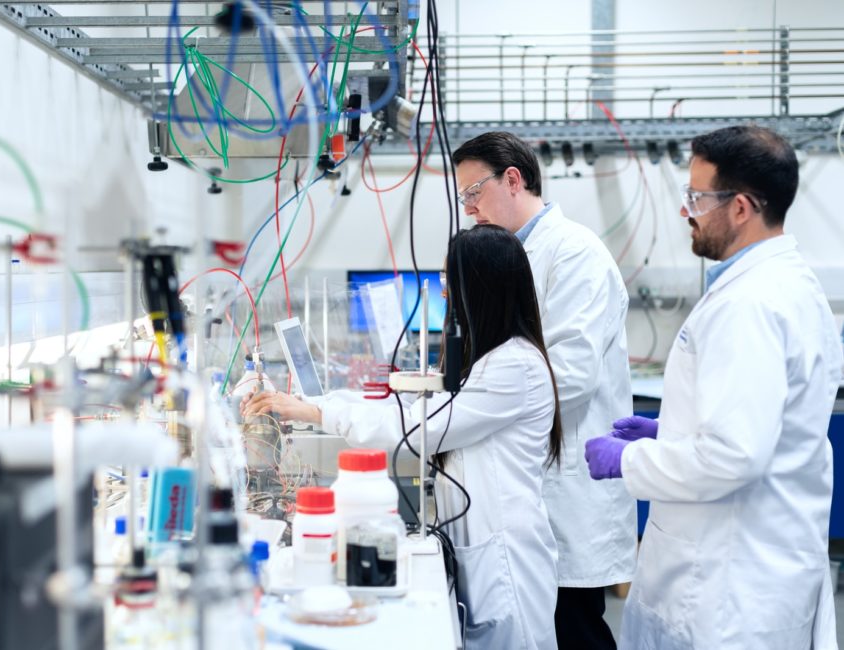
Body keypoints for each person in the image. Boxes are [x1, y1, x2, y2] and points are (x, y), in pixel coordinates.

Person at [584, 125, 843, 649]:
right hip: (751, 564)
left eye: (696, 197)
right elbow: (766, 420)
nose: (686, 211)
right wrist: (671, 430)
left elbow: (733, 456)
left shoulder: (749, 305)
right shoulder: (786, 284)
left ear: (742, 207)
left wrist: (628, 461)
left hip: (728, 587)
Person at [244, 225, 563, 649]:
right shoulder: (493, 359)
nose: (445, 296)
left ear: (481, 290)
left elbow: (415, 430)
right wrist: (318, 403)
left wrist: (318, 411)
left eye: (451, 284)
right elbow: (415, 414)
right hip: (484, 546)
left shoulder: (513, 367)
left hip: (505, 559)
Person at [452, 131, 636, 649]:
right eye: (462, 197)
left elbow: (571, 376)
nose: (468, 210)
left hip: (567, 483)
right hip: (531, 482)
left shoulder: (575, 253)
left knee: (574, 629)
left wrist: (474, 409)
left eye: (473, 192)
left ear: (513, 179)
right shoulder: (515, 254)